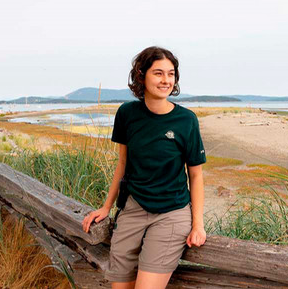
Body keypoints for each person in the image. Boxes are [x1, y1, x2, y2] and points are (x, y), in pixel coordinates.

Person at [82, 46, 207, 289]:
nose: (166, 80)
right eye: (158, 73)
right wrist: (106, 207)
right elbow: (123, 164)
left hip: (172, 213)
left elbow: (196, 175)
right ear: (141, 75)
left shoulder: (186, 121)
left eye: (171, 74)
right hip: (133, 209)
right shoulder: (127, 114)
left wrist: (198, 225)